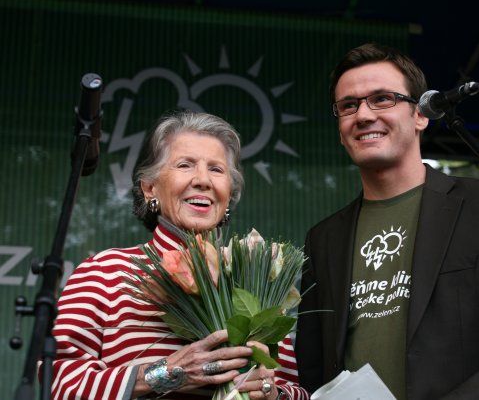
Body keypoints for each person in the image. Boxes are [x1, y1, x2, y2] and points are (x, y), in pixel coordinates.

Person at [295, 43, 479, 399]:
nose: (364, 115)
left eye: (382, 98)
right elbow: (313, 373)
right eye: (348, 105)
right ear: (340, 127)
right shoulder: (322, 239)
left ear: (421, 115)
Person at [52, 111, 309, 400]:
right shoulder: (105, 272)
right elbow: (59, 384)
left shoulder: (258, 281)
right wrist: (164, 375)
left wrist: (270, 392)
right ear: (150, 188)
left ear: (228, 193)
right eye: (185, 165)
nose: (203, 180)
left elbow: (293, 389)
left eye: (216, 169)